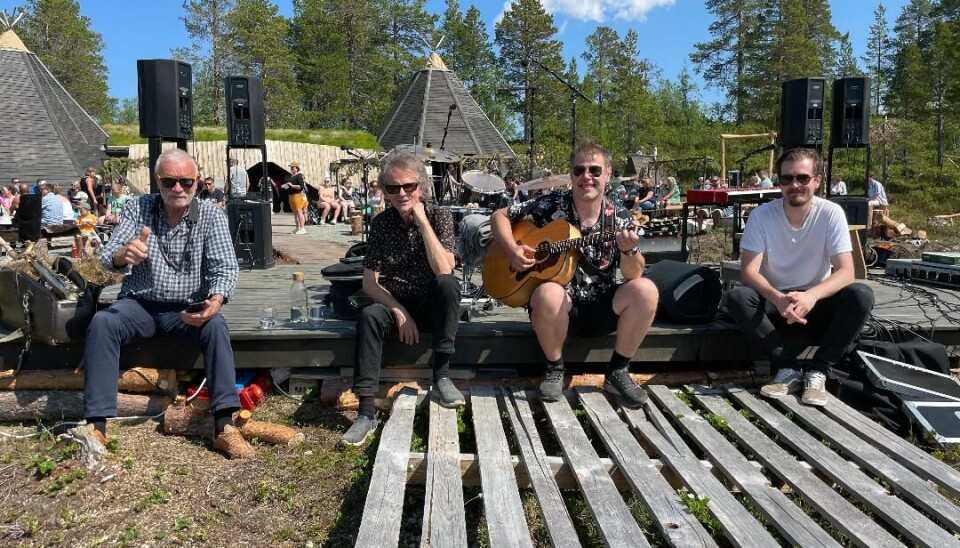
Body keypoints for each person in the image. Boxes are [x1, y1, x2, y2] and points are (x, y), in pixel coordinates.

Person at [70, 148, 253, 459]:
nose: (177, 189)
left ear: (197, 183)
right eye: (169, 182)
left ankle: (224, 425)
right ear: (157, 182)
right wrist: (122, 254)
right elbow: (106, 255)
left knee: (216, 325)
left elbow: (225, 266)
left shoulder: (211, 214)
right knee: (103, 322)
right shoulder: (137, 208)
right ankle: (97, 424)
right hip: (140, 305)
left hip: (186, 309)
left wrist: (217, 299)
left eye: (185, 181)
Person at [489, 141, 659, 408]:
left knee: (646, 289)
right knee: (548, 292)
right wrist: (511, 250)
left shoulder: (621, 218)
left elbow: (633, 275)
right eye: (579, 170)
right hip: (557, 307)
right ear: (571, 175)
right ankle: (555, 367)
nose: (586, 177)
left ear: (608, 174)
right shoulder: (550, 204)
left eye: (594, 170)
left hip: (602, 304)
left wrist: (628, 250)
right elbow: (500, 215)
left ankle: (617, 371)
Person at [725, 148, 875, 407]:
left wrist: (811, 295)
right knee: (738, 296)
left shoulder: (831, 213)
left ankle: (819, 370)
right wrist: (779, 298)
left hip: (815, 299)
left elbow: (847, 271)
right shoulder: (762, 215)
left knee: (861, 295)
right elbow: (748, 272)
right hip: (776, 299)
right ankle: (788, 368)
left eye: (803, 178)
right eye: (787, 179)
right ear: (779, 182)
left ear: (817, 180)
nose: (794, 185)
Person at [340, 151, 464, 446]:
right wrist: (396, 308)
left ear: (421, 186)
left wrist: (423, 224)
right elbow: (369, 282)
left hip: (429, 301)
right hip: (397, 302)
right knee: (369, 315)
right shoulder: (382, 224)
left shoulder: (439, 216)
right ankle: (366, 412)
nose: (401, 193)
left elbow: (445, 268)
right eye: (393, 188)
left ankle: (442, 376)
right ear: (384, 191)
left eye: (408, 186)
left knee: (449, 285)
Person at [285, 162, 309, 234]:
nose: (292, 169)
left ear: (297, 168)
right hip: (291, 196)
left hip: (297, 195)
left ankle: (302, 228)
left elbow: (301, 186)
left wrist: (292, 186)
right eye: (291, 167)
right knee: (295, 213)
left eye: (293, 167)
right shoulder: (290, 176)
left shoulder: (299, 175)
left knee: (299, 211)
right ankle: (297, 227)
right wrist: (286, 186)